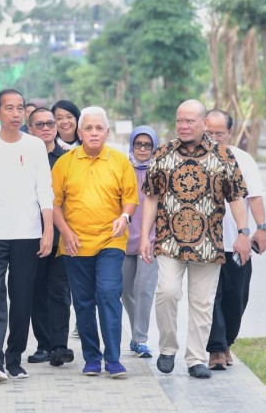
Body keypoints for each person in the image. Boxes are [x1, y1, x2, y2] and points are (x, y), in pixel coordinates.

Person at [139, 99, 251, 380]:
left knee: (202, 303)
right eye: (179, 120)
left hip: (208, 243)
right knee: (167, 292)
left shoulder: (223, 155)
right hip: (169, 240)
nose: (184, 126)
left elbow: (236, 196)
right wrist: (144, 236)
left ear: (204, 123)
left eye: (189, 121)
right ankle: (167, 348)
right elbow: (151, 197)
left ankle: (196, 359)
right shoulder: (163, 153)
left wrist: (243, 232)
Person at [0, 89, 54, 382]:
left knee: (22, 297)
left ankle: (15, 357)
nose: (16, 113)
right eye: (9, 108)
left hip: (28, 233)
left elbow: (45, 191)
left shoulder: (34, 146)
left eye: (19, 108)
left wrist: (47, 231)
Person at [52, 106, 138, 379]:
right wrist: (65, 232)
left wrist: (124, 217)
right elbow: (54, 204)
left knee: (109, 293)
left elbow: (130, 198)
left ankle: (113, 359)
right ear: (79, 132)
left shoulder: (120, 161)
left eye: (99, 128)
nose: (93, 132)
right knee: (84, 302)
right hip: (75, 244)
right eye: (88, 128)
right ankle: (91, 358)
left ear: (107, 132)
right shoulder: (64, 163)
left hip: (111, 241)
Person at [204, 109, 266, 370]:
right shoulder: (193, 159)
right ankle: (216, 350)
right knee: (210, 296)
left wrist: (261, 229)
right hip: (203, 243)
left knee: (237, 296)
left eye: (219, 133)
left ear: (229, 133)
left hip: (236, 242)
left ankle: (227, 340)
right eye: (209, 132)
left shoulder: (243, 159)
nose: (213, 138)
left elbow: (254, 197)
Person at [26, 108, 74, 367]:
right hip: (30, 235)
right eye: (39, 124)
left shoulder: (68, 157)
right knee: (36, 292)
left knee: (59, 292)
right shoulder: (23, 157)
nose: (46, 128)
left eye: (50, 123)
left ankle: (59, 346)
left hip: (61, 236)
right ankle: (43, 345)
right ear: (30, 129)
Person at [122, 126, 160, 359]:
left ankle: (140, 339)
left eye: (148, 145)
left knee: (144, 290)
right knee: (126, 291)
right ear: (132, 145)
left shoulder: (160, 170)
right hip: (124, 239)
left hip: (152, 240)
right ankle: (137, 333)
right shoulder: (123, 168)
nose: (143, 149)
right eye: (139, 144)